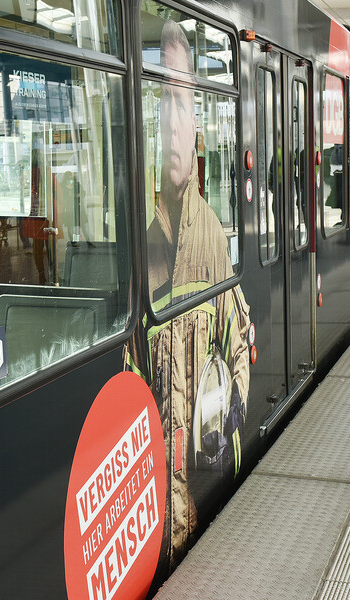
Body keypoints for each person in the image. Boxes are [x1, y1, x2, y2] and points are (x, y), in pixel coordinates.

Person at [126, 18, 251, 566]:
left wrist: (229, 416)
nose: (172, 125)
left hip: (197, 484)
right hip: (150, 504)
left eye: (181, 104)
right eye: (161, 104)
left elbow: (240, 339)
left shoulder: (213, 236)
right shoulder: (130, 238)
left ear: (196, 120)